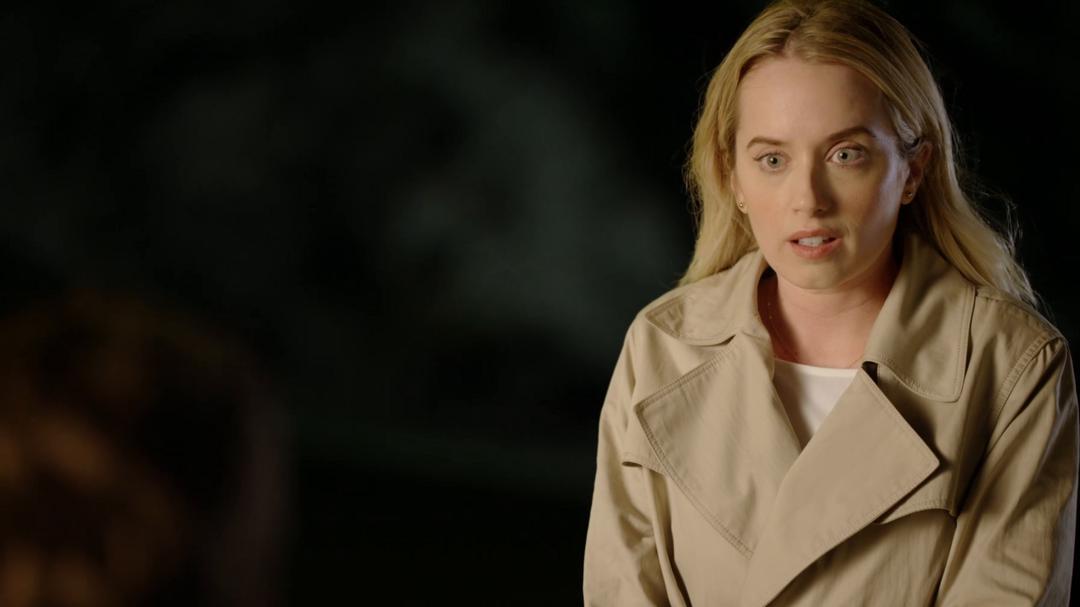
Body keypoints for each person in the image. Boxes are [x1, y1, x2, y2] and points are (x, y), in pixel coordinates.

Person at [582, 0, 1078, 605]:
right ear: (733, 177)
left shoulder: (1012, 366)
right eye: (772, 160)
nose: (808, 200)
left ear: (913, 170)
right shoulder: (661, 346)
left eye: (846, 154)